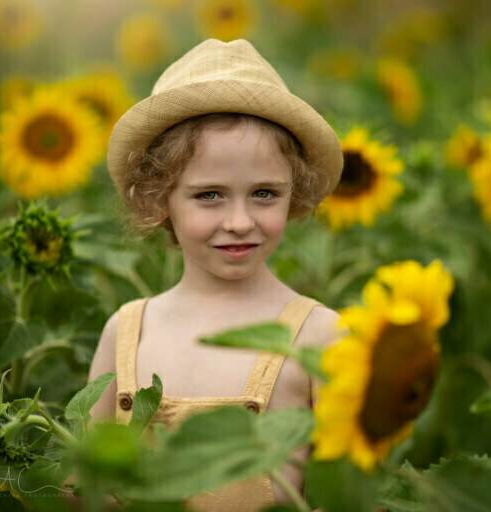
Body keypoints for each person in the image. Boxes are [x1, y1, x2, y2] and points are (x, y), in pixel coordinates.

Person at [87, 38, 346, 512]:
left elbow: (353, 495)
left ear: (296, 193)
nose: (240, 221)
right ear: (158, 197)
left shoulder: (320, 336)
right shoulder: (126, 332)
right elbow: (88, 479)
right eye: (210, 195)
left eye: (265, 193)